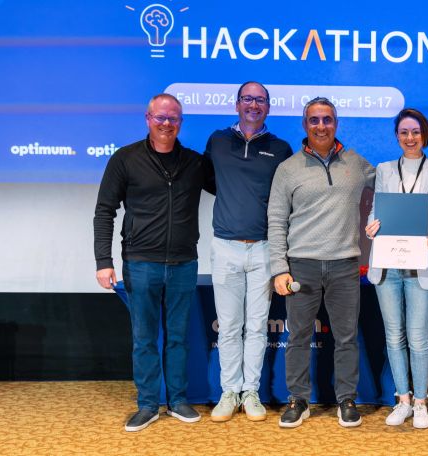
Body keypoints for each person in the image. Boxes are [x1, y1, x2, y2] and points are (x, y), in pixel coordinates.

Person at [93, 93, 211, 432]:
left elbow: (231, 188)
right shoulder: (125, 159)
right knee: (144, 338)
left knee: (178, 337)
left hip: (184, 263)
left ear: (180, 122)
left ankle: (177, 400)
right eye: (160, 117)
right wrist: (104, 260)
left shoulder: (194, 163)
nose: (166, 123)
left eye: (173, 118)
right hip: (140, 263)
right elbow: (105, 211)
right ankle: (147, 404)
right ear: (147, 119)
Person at [268, 97, 375, 428]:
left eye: (327, 119)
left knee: (345, 337)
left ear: (336, 123)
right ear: (305, 125)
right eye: (314, 120)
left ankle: (346, 398)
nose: (321, 126)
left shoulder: (356, 163)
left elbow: (388, 186)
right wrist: (279, 268)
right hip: (302, 265)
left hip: (345, 265)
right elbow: (275, 220)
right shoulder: (287, 169)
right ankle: (298, 400)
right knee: (298, 336)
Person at [204, 81, 292, 422]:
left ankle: (250, 391)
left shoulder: (280, 148)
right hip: (224, 245)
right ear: (236, 104)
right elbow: (210, 181)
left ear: (268, 107)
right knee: (228, 326)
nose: (253, 105)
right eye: (247, 99)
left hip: (263, 249)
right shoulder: (217, 140)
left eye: (260, 100)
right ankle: (229, 391)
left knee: (256, 326)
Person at [364, 108, 428, 429]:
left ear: (424, 134)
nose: (409, 138)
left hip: (422, 264)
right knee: (394, 336)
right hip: (388, 264)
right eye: (403, 132)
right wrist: (371, 225)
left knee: (418, 338)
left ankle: (421, 402)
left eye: (415, 132)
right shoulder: (384, 170)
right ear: (397, 136)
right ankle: (402, 399)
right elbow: (375, 212)